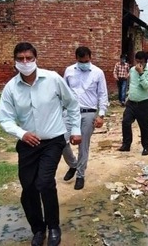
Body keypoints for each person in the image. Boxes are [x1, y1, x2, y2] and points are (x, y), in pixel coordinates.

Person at [0, 42, 81, 246]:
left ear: (36, 58)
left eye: (29, 58)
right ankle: (38, 229)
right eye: (20, 59)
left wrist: (76, 130)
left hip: (53, 141)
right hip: (28, 144)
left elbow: (72, 103)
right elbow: (5, 119)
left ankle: (53, 227)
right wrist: (22, 133)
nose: (25, 62)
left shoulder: (52, 79)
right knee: (28, 189)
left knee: (44, 182)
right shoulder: (11, 88)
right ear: (15, 61)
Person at [61, 47, 108, 190]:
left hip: (89, 112)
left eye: (86, 61)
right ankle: (73, 165)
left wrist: (101, 115)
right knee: (61, 140)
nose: (84, 63)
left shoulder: (98, 73)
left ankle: (80, 175)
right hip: (71, 112)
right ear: (76, 58)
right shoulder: (69, 71)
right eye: (81, 61)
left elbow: (102, 94)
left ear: (90, 58)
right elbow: (64, 92)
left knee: (83, 145)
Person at [118, 51, 148, 155]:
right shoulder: (132, 70)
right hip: (131, 102)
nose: (139, 64)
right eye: (137, 61)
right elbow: (132, 84)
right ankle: (126, 144)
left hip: (144, 103)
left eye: (141, 62)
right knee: (126, 122)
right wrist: (127, 96)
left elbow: (146, 86)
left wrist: (141, 73)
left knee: (145, 126)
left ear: (145, 62)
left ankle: (146, 146)